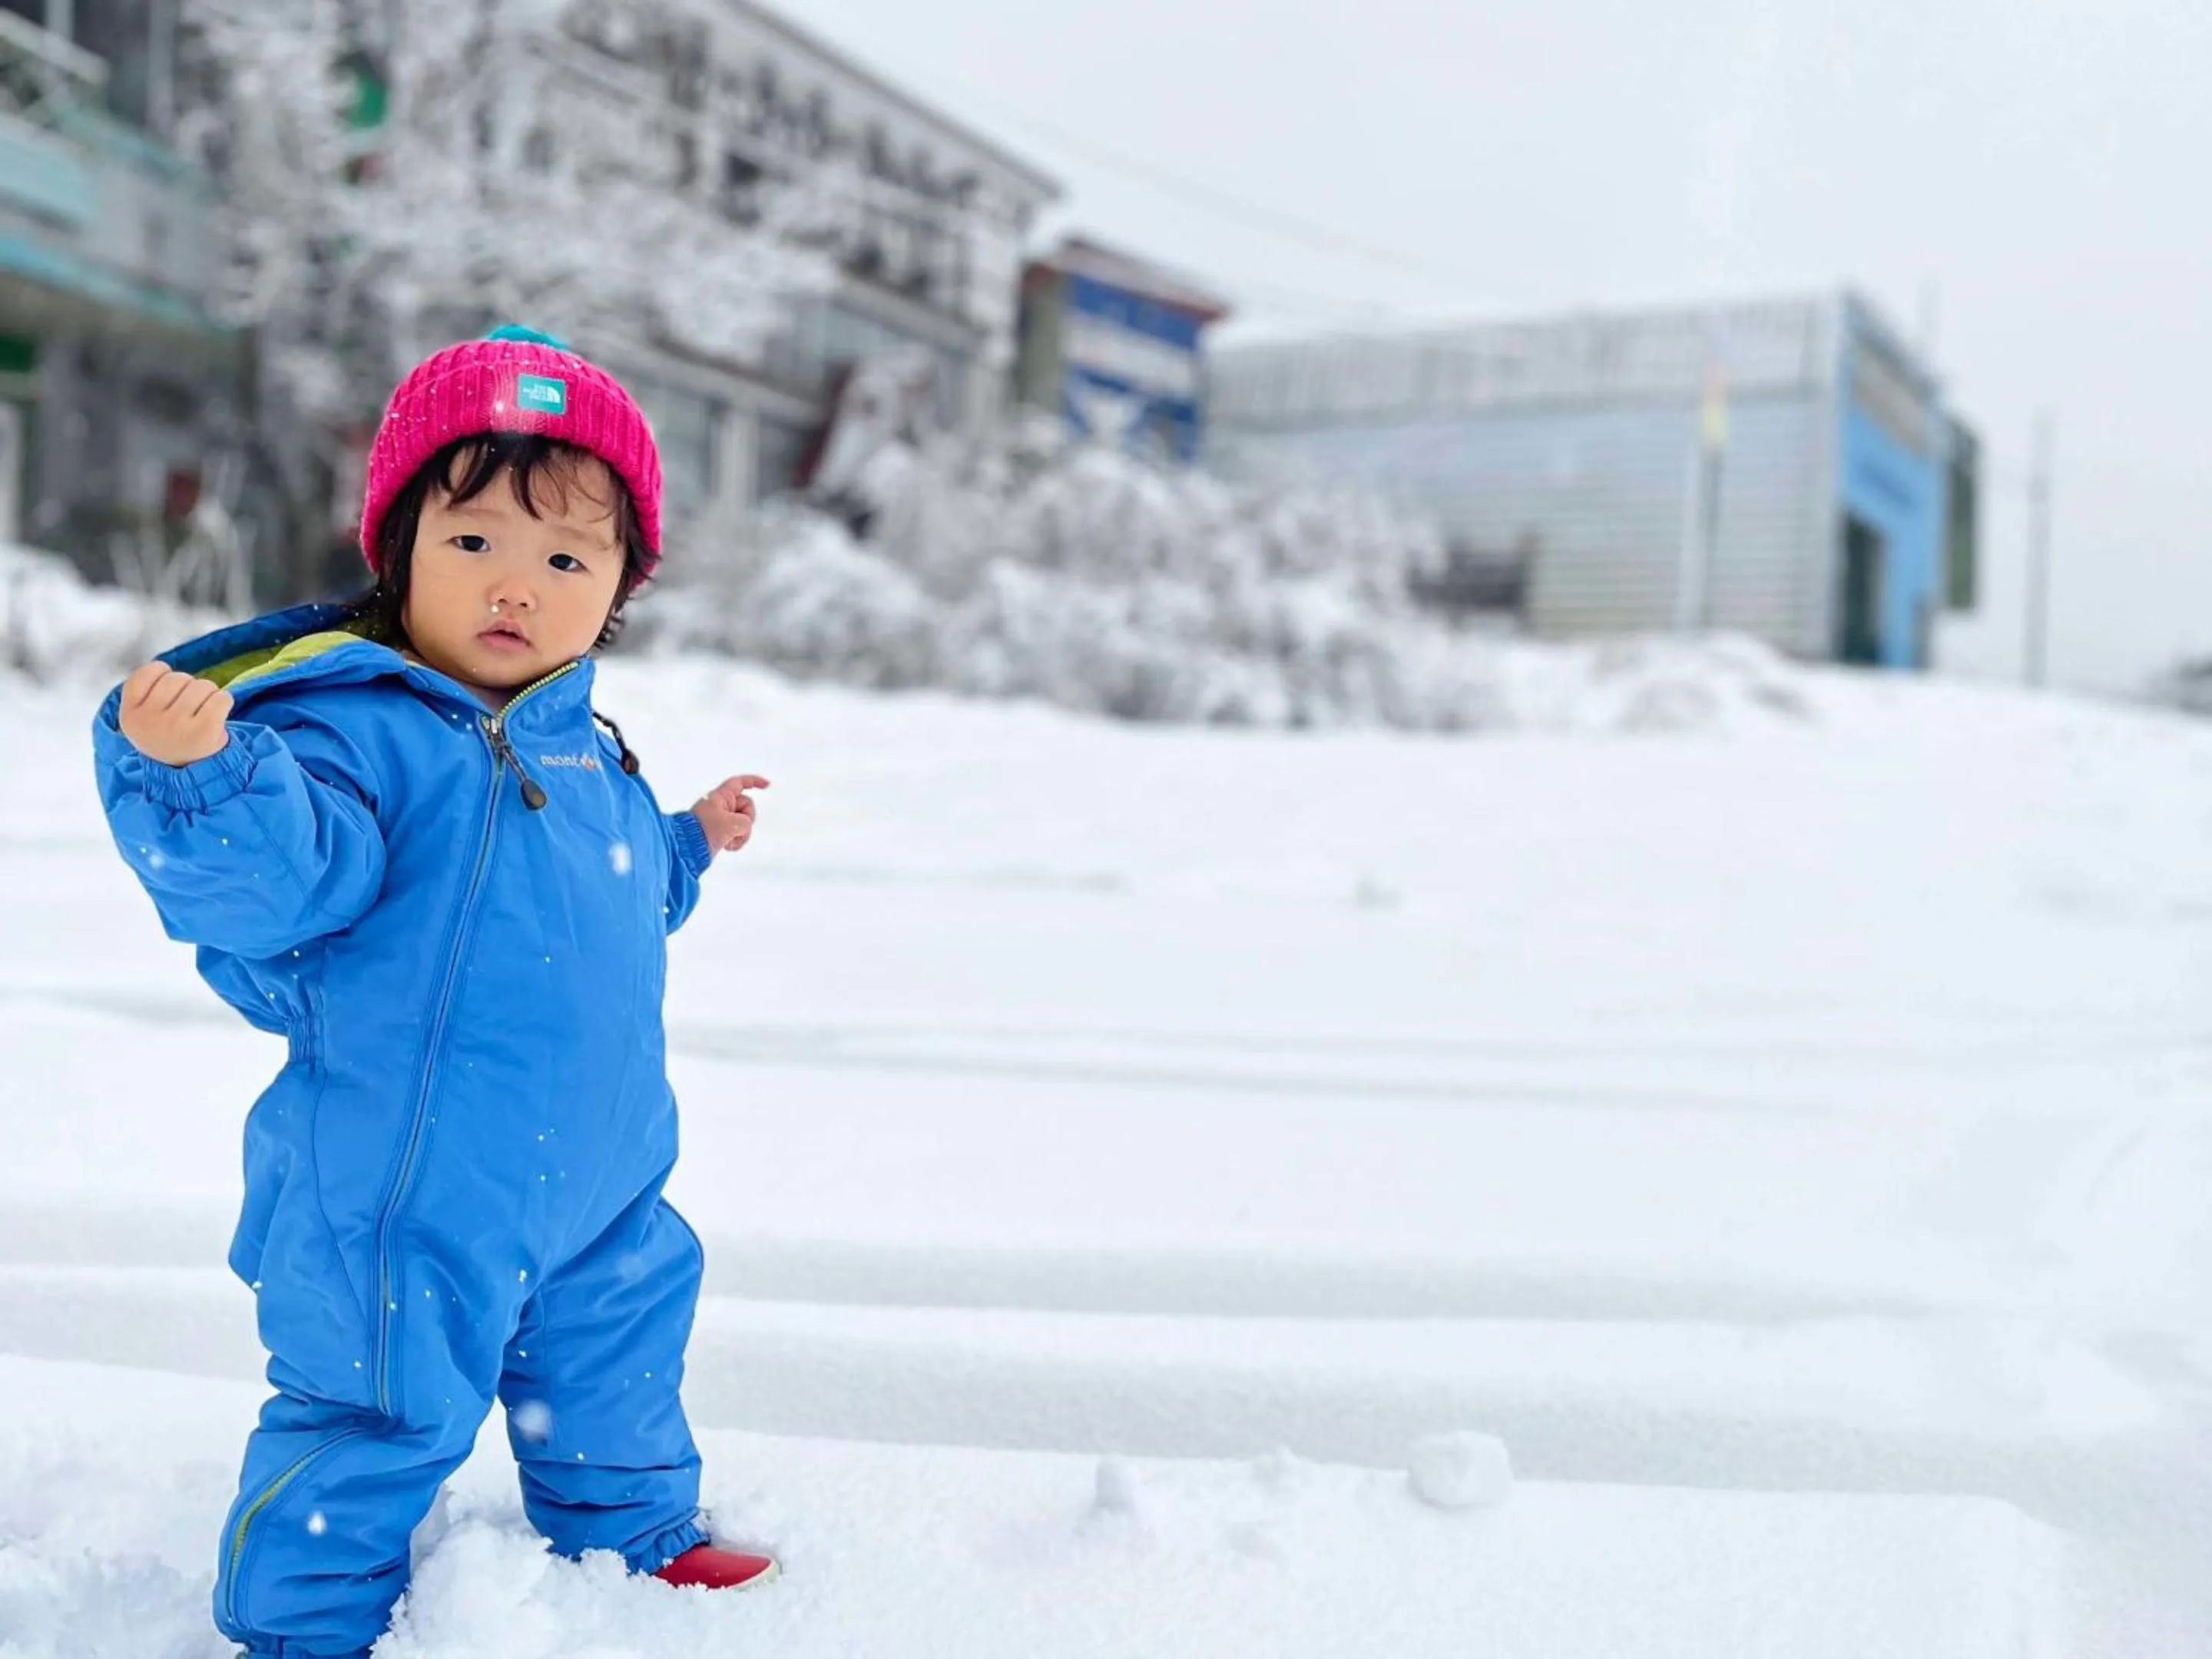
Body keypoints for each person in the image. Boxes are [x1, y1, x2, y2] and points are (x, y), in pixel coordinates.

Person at [92, 326, 775, 1658]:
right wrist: (207, 780)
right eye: (473, 544)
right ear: (397, 550)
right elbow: (281, 886)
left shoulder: (588, 752)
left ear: (621, 589)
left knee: (616, 1354)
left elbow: (608, 906)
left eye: (565, 558)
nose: (516, 586)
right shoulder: (347, 734)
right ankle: (300, 1622)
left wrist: (685, 839)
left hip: (601, 1175)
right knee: (379, 1401)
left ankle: (630, 1534)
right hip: (407, 1187)